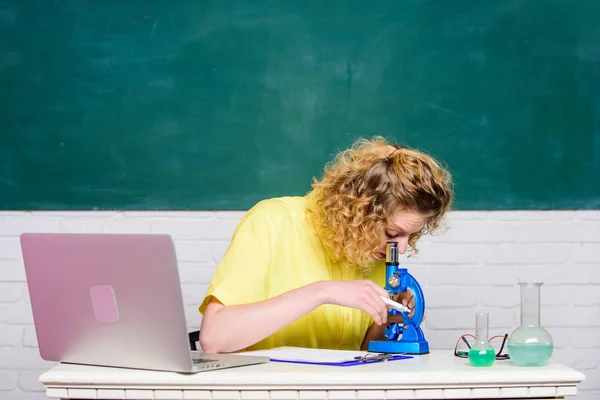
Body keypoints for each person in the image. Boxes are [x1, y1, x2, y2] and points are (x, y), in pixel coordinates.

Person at [198, 136, 453, 354]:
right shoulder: (272, 221)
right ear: (359, 210)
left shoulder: (373, 253)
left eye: (411, 235)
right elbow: (214, 339)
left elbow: (361, 353)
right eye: (392, 232)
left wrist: (391, 316)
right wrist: (322, 292)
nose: (403, 248)